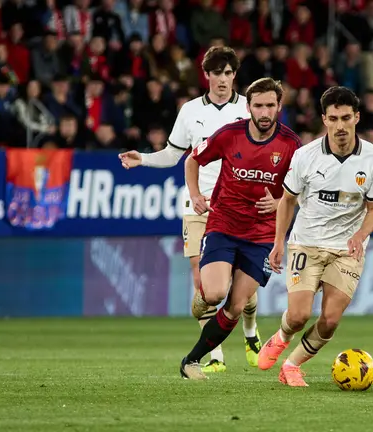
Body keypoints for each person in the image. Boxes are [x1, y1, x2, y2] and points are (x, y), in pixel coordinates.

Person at [119, 47, 269, 373]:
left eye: (229, 73)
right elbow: (174, 155)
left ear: (234, 76)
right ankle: (214, 356)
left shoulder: (249, 108)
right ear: (207, 75)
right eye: (217, 73)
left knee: (242, 283)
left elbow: (265, 155)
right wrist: (142, 158)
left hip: (240, 204)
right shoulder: (189, 111)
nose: (223, 79)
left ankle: (251, 331)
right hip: (198, 203)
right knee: (204, 284)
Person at [257, 86, 373, 387]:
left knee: (330, 319)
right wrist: (278, 242)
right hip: (307, 242)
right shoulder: (305, 156)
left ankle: (291, 366)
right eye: (333, 118)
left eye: (346, 118)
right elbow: (287, 201)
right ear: (324, 120)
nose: (340, 126)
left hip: (346, 249)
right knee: (299, 315)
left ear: (356, 117)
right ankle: (281, 336)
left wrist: (360, 235)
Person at [178, 77, 301, 380]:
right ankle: (207, 294)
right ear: (248, 107)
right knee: (216, 293)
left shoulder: (291, 145)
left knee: (235, 306)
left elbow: (300, 191)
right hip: (223, 225)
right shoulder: (230, 135)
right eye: (258, 105)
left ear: (279, 107)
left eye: (270, 105)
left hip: (260, 236)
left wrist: (282, 204)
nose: (264, 112)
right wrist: (194, 194)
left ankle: (190, 361)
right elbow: (193, 160)